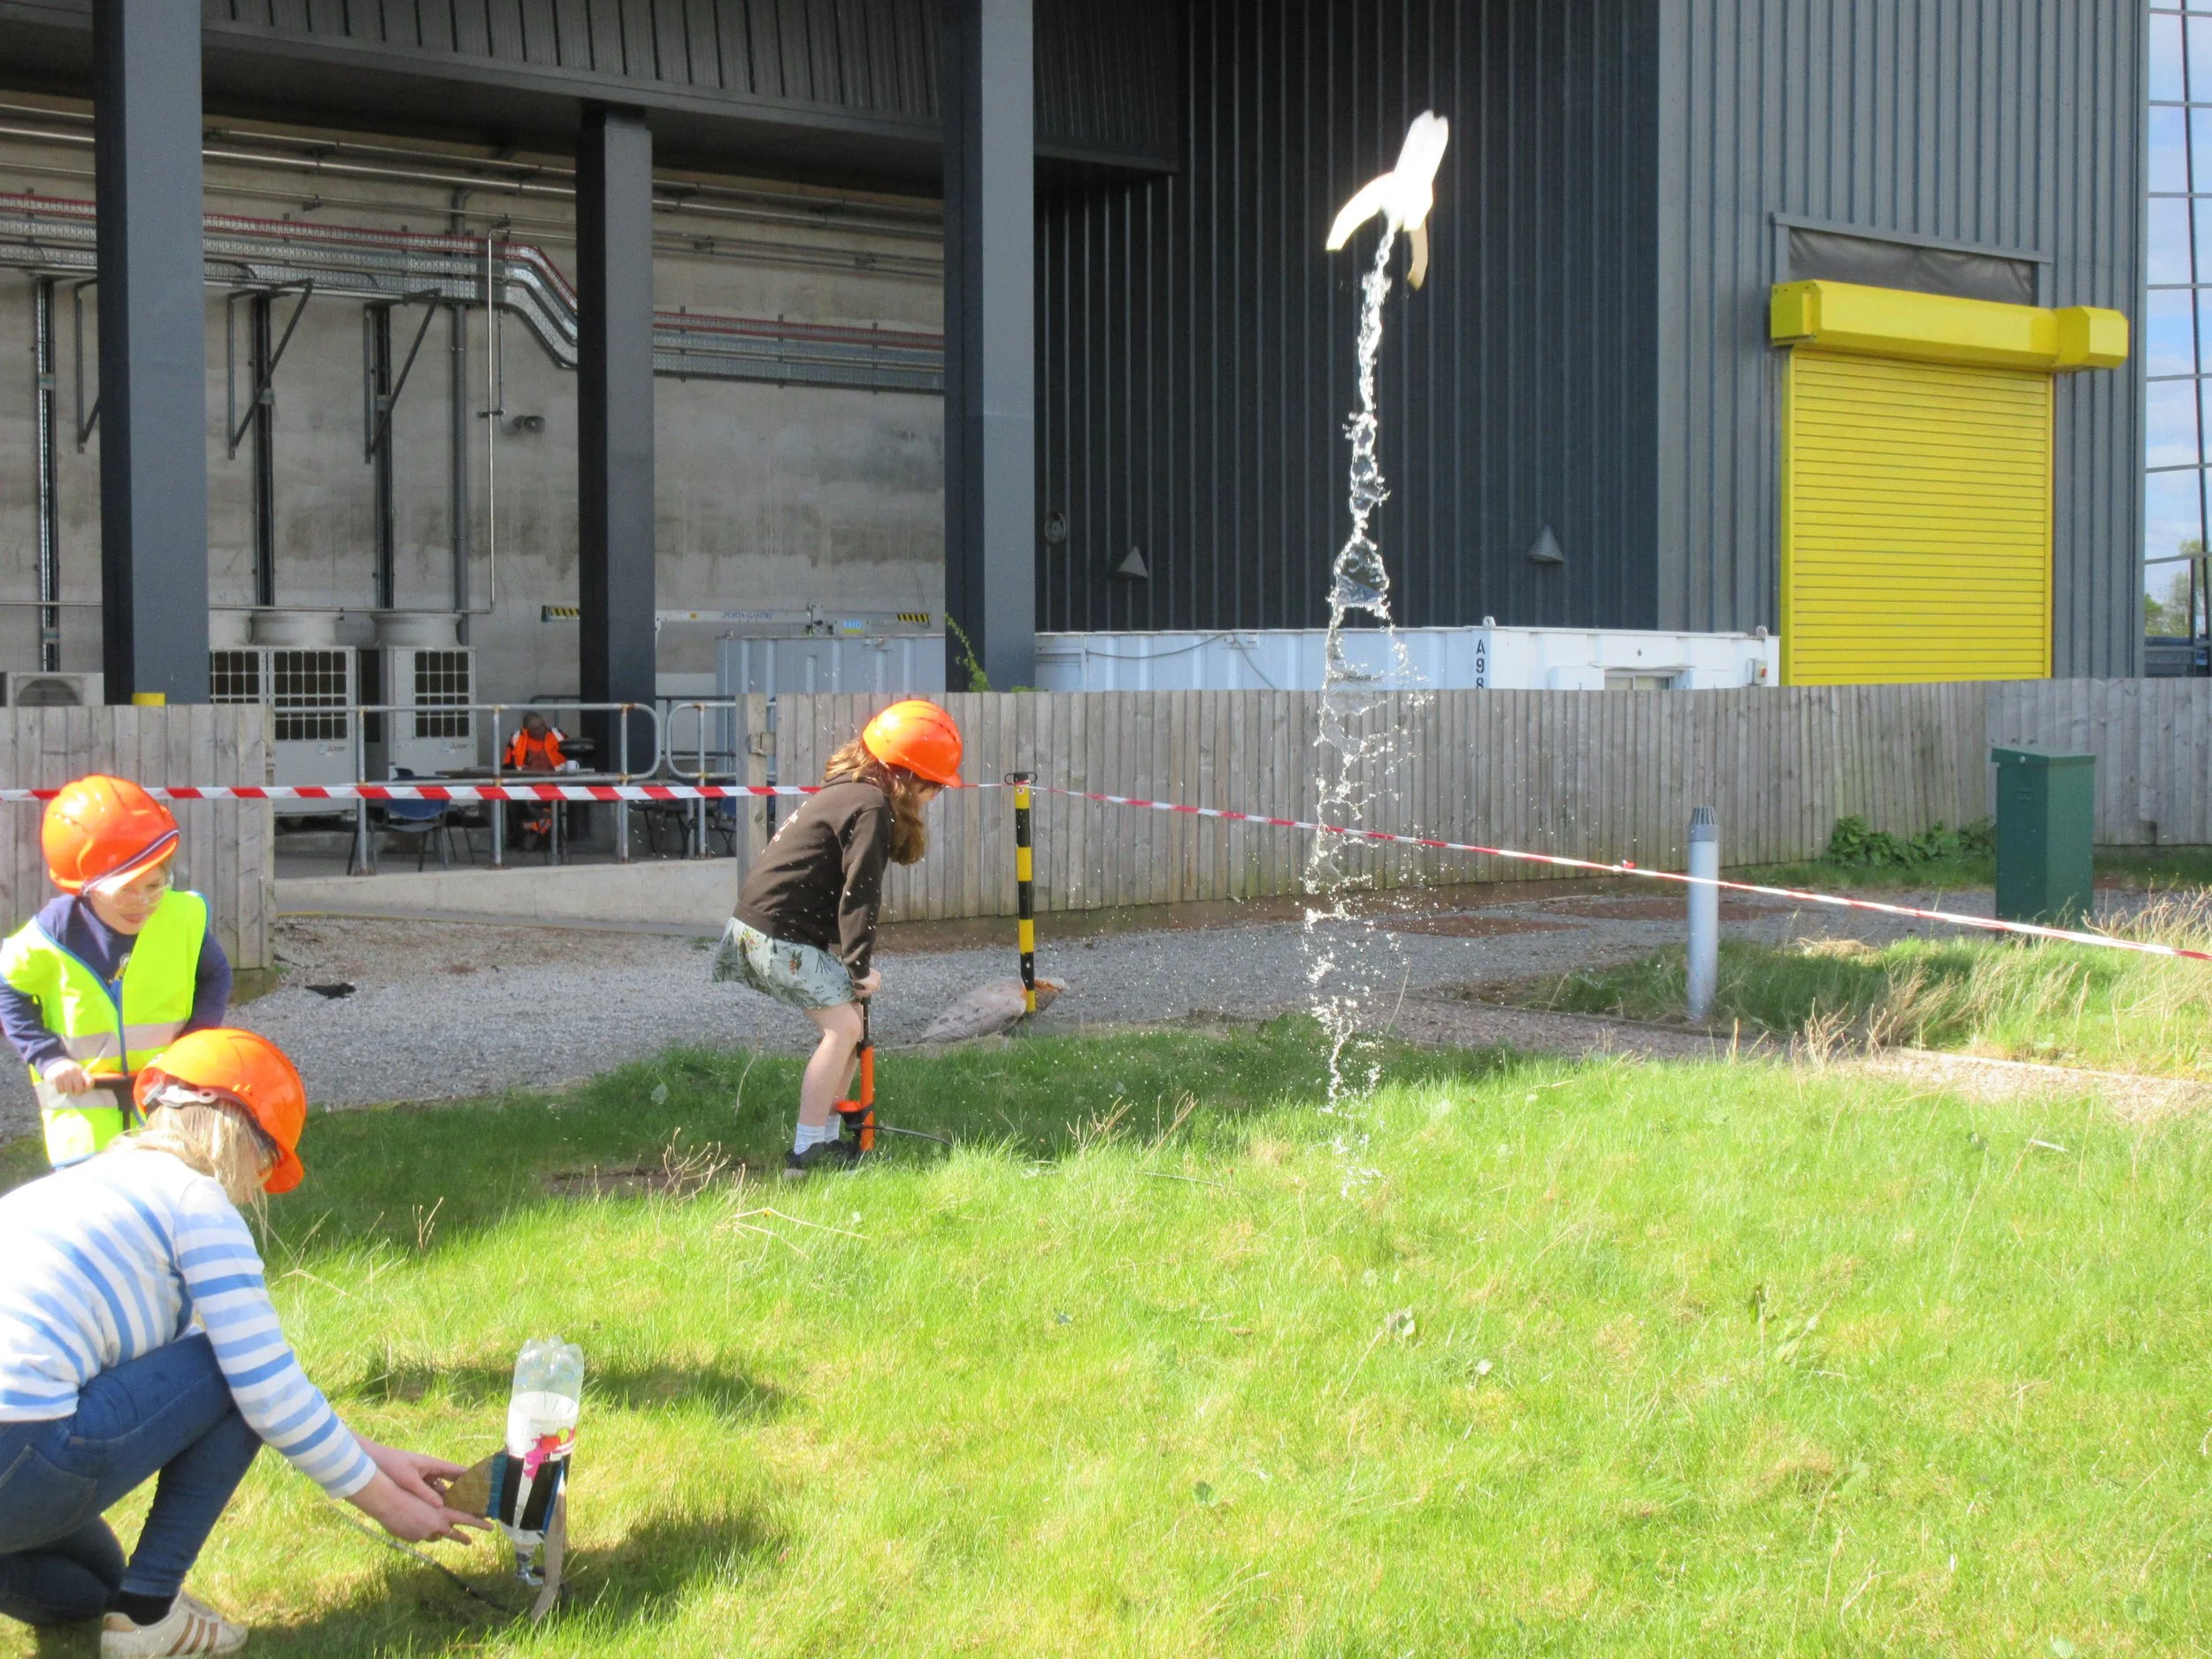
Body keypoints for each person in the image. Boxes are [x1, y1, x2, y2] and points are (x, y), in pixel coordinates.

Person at [0, 1027, 482, 1656]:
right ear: (243, 1137)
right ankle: (148, 1616)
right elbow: (263, 1390)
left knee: (93, 1584)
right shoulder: (194, 1198)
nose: (256, 1188)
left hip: (15, 1453)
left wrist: (379, 1460)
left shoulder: (77, 1186)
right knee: (227, 1371)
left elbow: (194, 1381)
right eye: (267, 1164)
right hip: (19, 1450)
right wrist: (388, 1506)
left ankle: (124, 1600)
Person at [712, 700, 961, 1177]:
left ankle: (826, 1138)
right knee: (843, 1029)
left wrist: (853, 970)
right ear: (907, 775)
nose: (935, 794)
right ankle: (805, 1152)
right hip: (771, 935)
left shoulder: (852, 791)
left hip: (768, 929)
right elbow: (859, 893)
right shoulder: (870, 807)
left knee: (853, 1026)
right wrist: (859, 968)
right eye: (933, 784)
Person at [0, 775, 231, 1171]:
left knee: (165, 1198)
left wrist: (192, 1045)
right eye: (125, 889)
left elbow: (217, 974)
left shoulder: (181, 917)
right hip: (84, 1119)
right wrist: (48, 1058)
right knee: (94, 1207)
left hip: (165, 1106)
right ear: (86, 885)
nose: (142, 902)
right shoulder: (55, 931)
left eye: (155, 885)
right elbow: (8, 987)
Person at [503, 710, 567, 850]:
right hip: (527, 787)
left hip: (555, 786)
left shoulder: (557, 736)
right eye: (537, 729)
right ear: (528, 730)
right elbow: (507, 766)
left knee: (558, 806)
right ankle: (523, 837)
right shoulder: (517, 739)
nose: (542, 730)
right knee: (512, 802)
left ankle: (537, 833)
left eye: (543, 726)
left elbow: (572, 757)